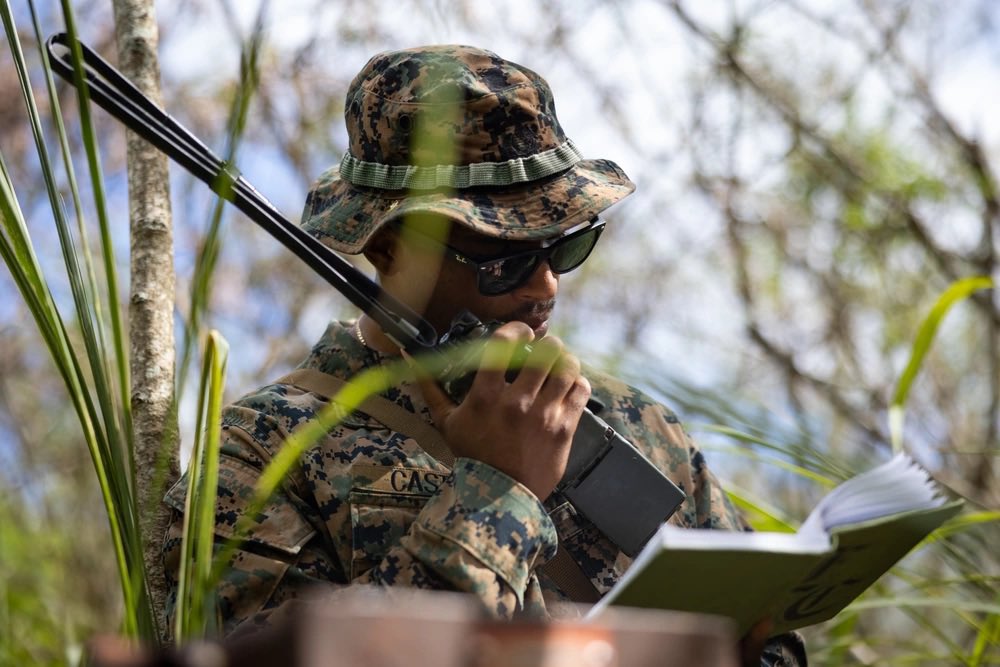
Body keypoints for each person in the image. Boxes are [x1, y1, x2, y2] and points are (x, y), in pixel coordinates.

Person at [162, 45, 807, 666]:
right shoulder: (262, 456)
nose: (545, 285)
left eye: (562, 248)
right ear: (386, 249)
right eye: (506, 261)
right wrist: (497, 492)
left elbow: (773, 639)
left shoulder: (636, 425)